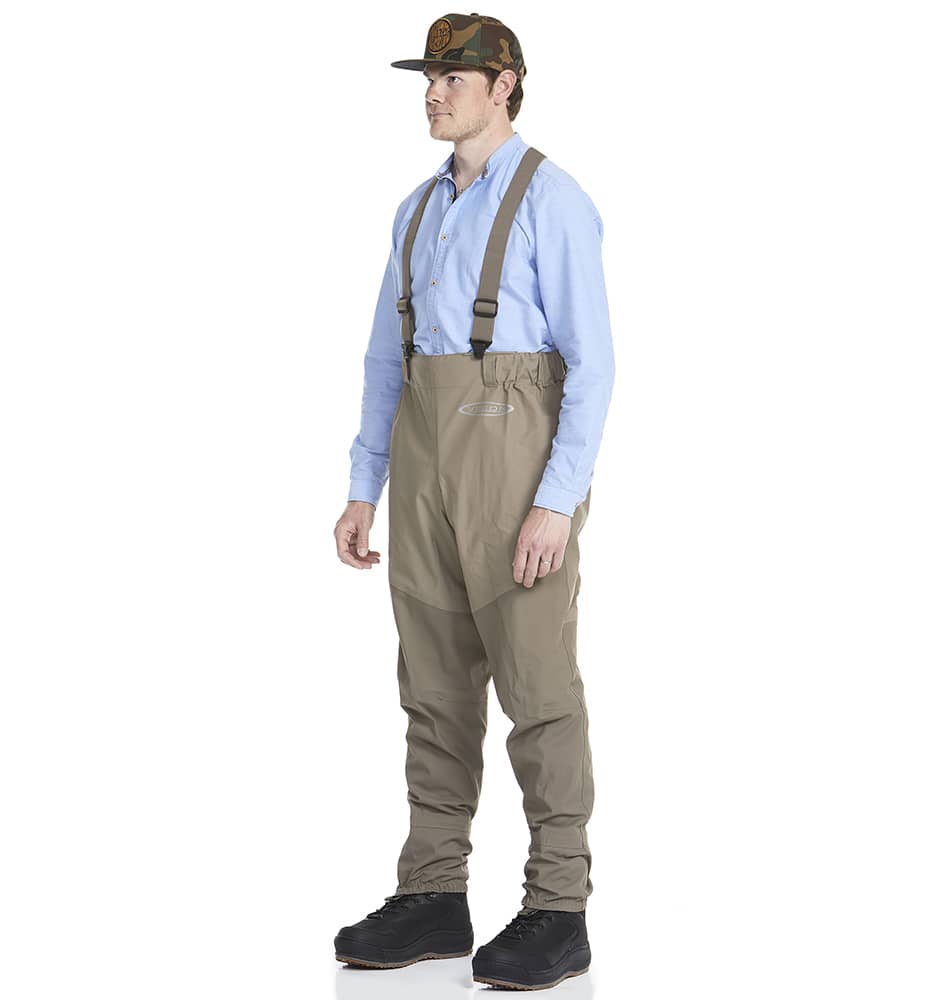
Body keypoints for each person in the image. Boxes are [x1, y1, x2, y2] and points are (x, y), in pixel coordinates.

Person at [332, 12, 615, 991]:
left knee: (538, 691)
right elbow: (387, 358)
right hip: (422, 458)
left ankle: (558, 907)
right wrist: (364, 485)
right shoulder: (415, 210)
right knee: (434, 689)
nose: (433, 90)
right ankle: (434, 893)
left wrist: (555, 502)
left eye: (454, 76)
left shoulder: (553, 200)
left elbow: (592, 365)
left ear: (505, 85)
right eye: (429, 75)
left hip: (514, 459)